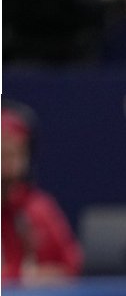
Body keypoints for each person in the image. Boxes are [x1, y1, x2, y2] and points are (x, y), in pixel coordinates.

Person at [2, 103, 82, 284]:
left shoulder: (39, 209)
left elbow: (71, 266)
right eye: (3, 152)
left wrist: (42, 277)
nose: (8, 162)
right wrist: (19, 278)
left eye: (16, 152)